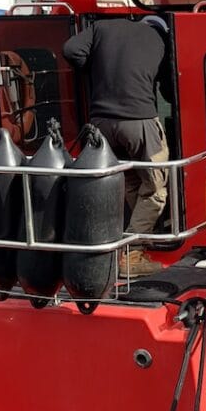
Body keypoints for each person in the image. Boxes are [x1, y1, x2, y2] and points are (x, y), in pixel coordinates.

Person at [64, 15, 172, 279]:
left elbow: (70, 50)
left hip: (102, 124)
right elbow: (170, 91)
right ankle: (131, 252)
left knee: (133, 182)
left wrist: (93, 72)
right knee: (156, 190)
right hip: (140, 123)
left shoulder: (102, 27)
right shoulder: (161, 41)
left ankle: (134, 242)